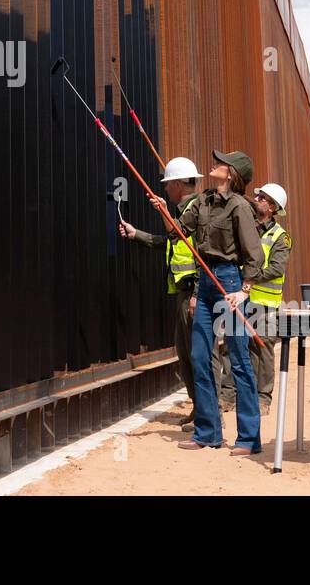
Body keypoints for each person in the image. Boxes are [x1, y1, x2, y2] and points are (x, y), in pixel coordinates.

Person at [162, 150, 264, 456]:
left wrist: (244, 290)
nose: (214, 164)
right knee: (199, 355)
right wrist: (162, 210)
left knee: (239, 357)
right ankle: (208, 433)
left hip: (229, 282)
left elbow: (254, 256)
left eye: (220, 163)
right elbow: (177, 233)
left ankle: (248, 438)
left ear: (231, 174)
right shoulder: (203, 201)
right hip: (205, 284)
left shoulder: (239, 207)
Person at [118, 156, 202, 429]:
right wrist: (136, 234)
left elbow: (206, 257)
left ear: (177, 184)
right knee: (185, 353)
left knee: (196, 355)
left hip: (193, 293)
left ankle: (205, 413)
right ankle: (199, 408)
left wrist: (197, 295)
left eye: (168, 184)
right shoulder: (184, 212)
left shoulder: (197, 212)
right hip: (183, 292)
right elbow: (170, 242)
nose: (165, 189)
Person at [216, 182, 290, 416]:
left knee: (262, 349)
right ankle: (228, 396)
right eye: (257, 195)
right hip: (240, 298)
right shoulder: (246, 227)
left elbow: (277, 268)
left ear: (271, 207)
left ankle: (262, 398)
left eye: (261, 197)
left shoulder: (280, 237)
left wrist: (250, 278)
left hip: (265, 304)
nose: (255, 198)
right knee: (231, 345)